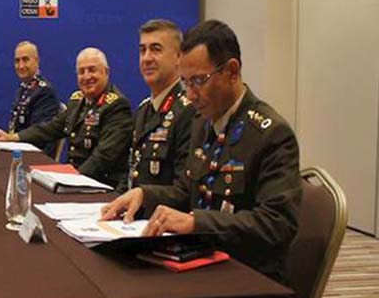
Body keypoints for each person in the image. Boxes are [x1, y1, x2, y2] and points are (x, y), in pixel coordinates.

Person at [101, 20, 302, 283]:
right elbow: (187, 191)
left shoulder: (270, 133)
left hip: (247, 273)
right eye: (185, 82)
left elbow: (277, 224)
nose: (190, 95)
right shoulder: (202, 122)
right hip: (201, 260)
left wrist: (197, 222)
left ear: (232, 71)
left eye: (198, 81)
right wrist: (144, 194)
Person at [0, 48, 133, 186]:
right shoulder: (77, 101)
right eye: (81, 72)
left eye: (92, 70)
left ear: (106, 72)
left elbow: (103, 158)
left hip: (99, 184)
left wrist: (72, 179)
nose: (87, 77)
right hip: (76, 179)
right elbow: (50, 129)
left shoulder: (117, 105)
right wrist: (12, 137)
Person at [122, 19, 196, 192]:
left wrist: (142, 196)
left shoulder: (188, 111)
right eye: (143, 50)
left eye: (156, 49)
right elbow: (131, 174)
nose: (147, 58)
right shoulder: (143, 110)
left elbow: (184, 190)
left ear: (179, 57)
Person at [0, 41, 59, 155]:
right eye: (17, 61)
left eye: (25, 60)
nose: (21, 66)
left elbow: (39, 133)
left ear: (37, 61)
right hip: (18, 150)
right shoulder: (24, 88)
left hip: (36, 156)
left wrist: (10, 138)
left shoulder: (45, 92)